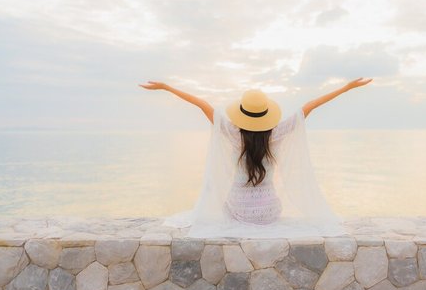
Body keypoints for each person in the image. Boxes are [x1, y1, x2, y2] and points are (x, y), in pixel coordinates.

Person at [139, 78, 373, 238]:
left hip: (238, 211)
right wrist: (347, 87)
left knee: (225, 205)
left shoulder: (232, 133)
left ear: (242, 113)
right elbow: (310, 106)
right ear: (266, 113)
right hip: (270, 213)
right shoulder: (278, 133)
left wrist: (167, 87)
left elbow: (202, 105)